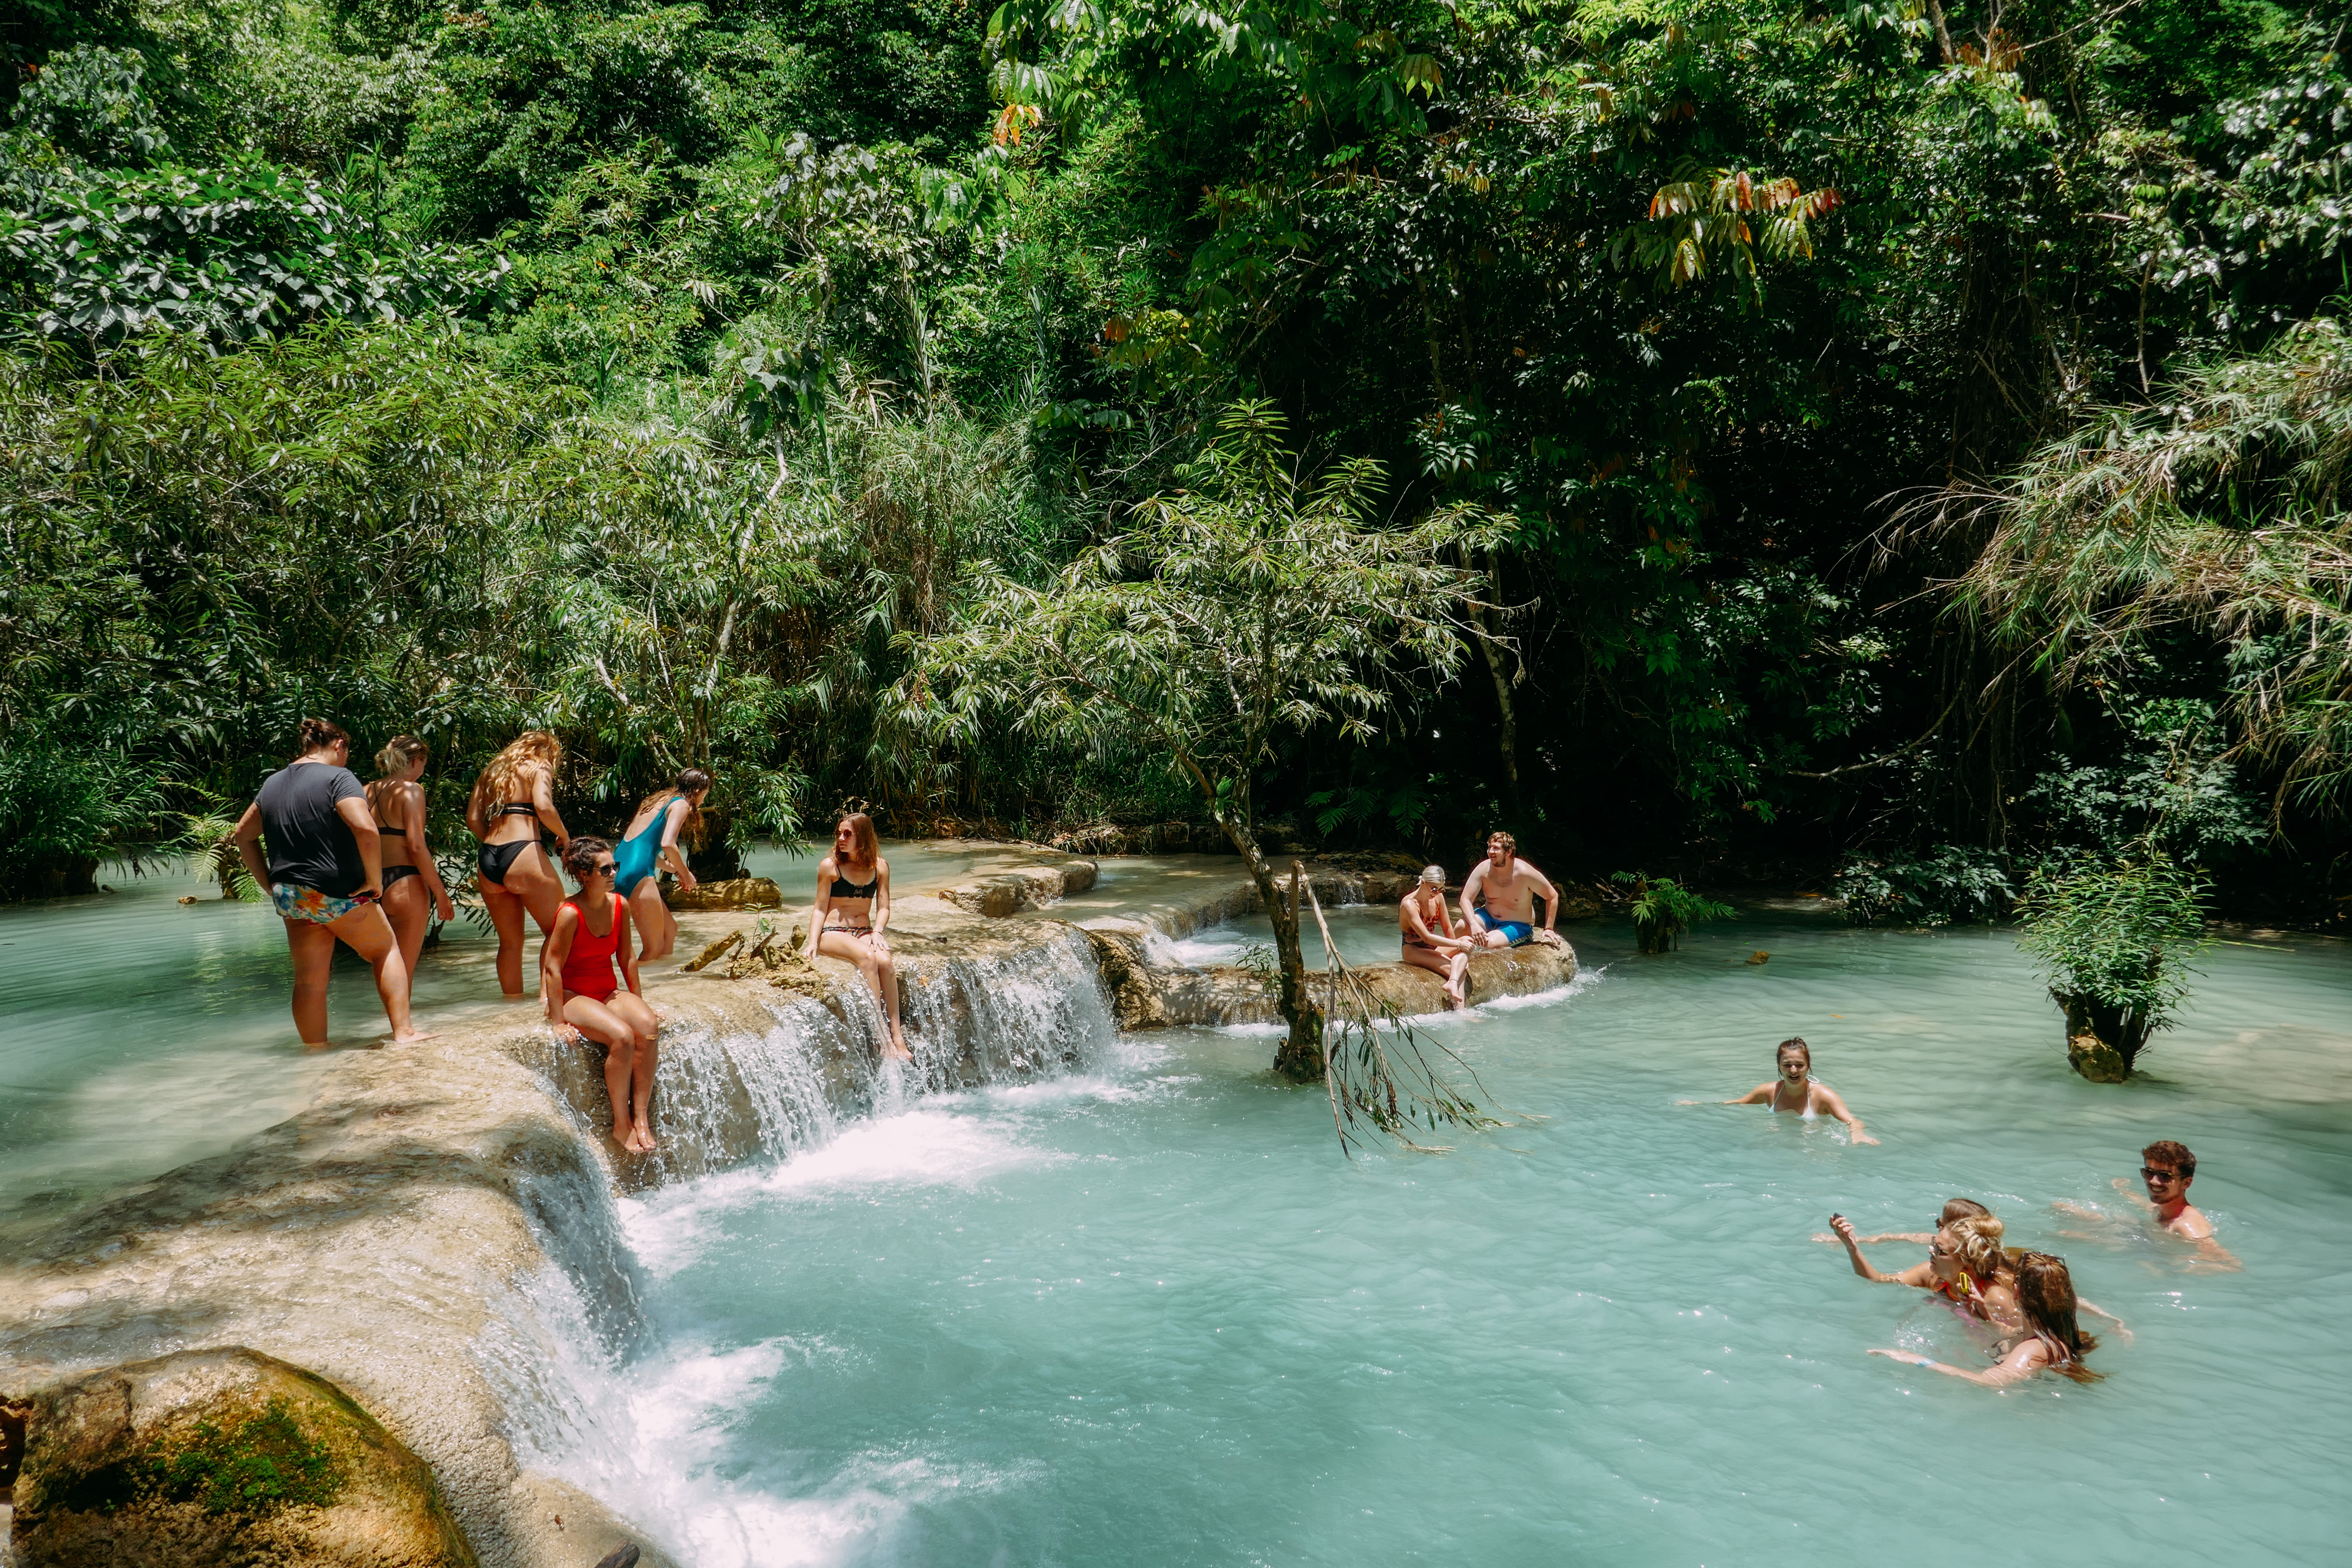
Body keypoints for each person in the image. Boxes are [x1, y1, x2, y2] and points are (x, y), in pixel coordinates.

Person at [232, 718, 429, 1047]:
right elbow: (365, 829)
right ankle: (405, 1034)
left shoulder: (273, 784)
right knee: (385, 949)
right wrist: (373, 879)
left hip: (292, 894)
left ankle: (315, 1050)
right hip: (337, 889)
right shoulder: (339, 777)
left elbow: (243, 835)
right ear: (339, 745)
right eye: (347, 752)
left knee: (310, 981)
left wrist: (269, 884)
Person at [542, 836, 661, 1154]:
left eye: (614, 867)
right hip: (573, 994)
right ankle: (620, 1125)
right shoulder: (568, 913)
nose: (613, 873)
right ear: (584, 875)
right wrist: (556, 1021)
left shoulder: (620, 904)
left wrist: (640, 1001)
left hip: (607, 991)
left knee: (648, 1028)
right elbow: (552, 968)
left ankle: (641, 1118)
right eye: (606, 869)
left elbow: (627, 958)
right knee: (622, 1037)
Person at [1869, 1252, 2103, 1386]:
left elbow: (1991, 1382)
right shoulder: (2051, 1335)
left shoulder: (2032, 1350)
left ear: (2017, 1292)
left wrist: (1917, 1360)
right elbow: (2007, 1335)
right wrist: (1984, 1318)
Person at [467, 731, 571, 998]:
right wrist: (564, 835)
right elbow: (544, 806)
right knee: (558, 929)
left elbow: (473, 819)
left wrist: (494, 842)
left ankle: (512, 1004)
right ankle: (546, 1001)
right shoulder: (540, 765)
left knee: (510, 943)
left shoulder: (491, 772)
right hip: (524, 851)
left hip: (489, 856)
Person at [802, 812, 910, 1060]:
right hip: (833, 932)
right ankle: (879, 1034)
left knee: (885, 961)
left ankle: (897, 1034)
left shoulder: (880, 867)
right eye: (839, 833)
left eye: (848, 834)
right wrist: (812, 942)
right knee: (867, 958)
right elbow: (819, 908)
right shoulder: (831, 866)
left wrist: (878, 932)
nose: (841, 838)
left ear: (863, 837)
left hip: (864, 931)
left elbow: (884, 907)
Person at [1828, 1213, 2022, 1334]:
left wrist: (1988, 1322)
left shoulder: (1994, 1296)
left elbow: (2022, 1336)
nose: (1931, 1252)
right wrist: (1851, 1246)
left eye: (1940, 1251)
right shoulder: (1933, 1276)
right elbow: (1878, 1280)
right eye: (1933, 1245)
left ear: (1965, 1264)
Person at [365, 735, 458, 989]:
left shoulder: (366, 790)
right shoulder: (411, 791)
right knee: (404, 968)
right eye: (424, 765)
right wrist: (440, 893)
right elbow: (416, 846)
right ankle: (403, 1028)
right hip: (405, 883)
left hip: (373, 884)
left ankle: (390, 1025)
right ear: (417, 761)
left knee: (384, 963)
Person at [1683, 1038, 1877, 1144]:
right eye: (1787, 1065)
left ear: (1809, 1067)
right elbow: (1736, 1104)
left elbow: (1853, 1121)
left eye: (1799, 1065)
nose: (1793, 1071)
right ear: (1779, 1067)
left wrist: (1858, 1135)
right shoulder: (1769, 1091)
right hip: (1778, 1146)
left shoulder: (1823, 1096)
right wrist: (1698, 1106)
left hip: (1812, 1148)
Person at [612, 769, 710, 963]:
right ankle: (641, 989)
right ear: (698, 790)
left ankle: (662, 982)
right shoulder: (681, 804)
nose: (704, 800)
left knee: (670, 931)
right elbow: (668, 844)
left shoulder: (658, 801)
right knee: (653, 946)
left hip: (620, 865)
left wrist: (675, 871)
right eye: (705, 795)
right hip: (638, 873)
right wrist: (687, 874)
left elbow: (644, 849)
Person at [1458, 831, 1566, 949]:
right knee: (1461, 927)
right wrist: (1474, 924)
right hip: (1488, 917)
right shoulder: (1483, 869)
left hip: (1517, 925)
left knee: (1489, 943)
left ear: (1509, 852)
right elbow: (1465, 899)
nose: (1490, 852)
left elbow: (1552, 896)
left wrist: (1549, 928)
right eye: (1489, 847)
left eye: (1496, 848)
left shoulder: (1525, 873)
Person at [1400, 865, 1477, 1007]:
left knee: (1468, 940)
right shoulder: (1409, 905)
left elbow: (1448, 928)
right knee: (1459, 970)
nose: (1436, 892)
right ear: (1423, 882)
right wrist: (1459, 946)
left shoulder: (1438, 898)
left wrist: (1457, 953)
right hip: (1413, 950)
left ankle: (1452, 984)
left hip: (1433, 948)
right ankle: (1461, 1011)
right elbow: (1427, 938)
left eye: (1441, 889)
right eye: (1434, 888)